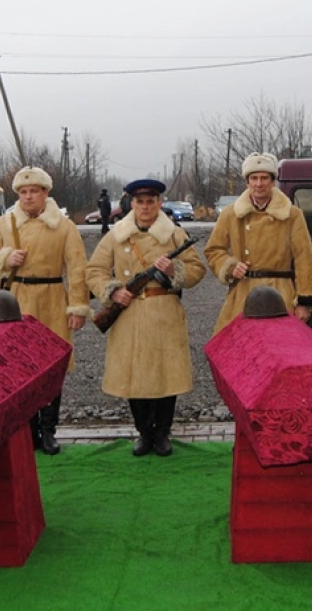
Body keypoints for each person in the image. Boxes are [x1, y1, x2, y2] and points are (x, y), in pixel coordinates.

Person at [85, 179, 205, 456]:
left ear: (159, 204)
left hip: (164, 313)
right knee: (134, 376)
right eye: (140, 202)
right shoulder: (117, 234)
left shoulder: (174, 234)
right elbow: (94, 271)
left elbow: (197, 269)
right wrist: (113, 293)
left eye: (151, 201)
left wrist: (174, 269)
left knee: (166, 377)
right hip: (128, 315)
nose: (145, 207)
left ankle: (163, 434)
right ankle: (144, 433)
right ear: (131, 204)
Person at [0, 166, 90, 455]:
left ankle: (49, 430)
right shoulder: (4, 224)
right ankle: (27, 431)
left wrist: (78, 307)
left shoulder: (64, 227)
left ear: (45, 193)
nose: (28, 197)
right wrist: (4, 257)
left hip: (52, 300)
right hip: (15, 302)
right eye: (23, 192)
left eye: (34, 191)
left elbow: (77, 270)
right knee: (19, 370)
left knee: (51, 368)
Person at [204, 152, 312, 334]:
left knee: (280, 352)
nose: (259, 184)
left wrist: (304, 302)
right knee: (239, 351)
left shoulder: (292, 215)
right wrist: (229, 267)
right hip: (242, 295)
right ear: (247, 182)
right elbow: (213, 250)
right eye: (254, 178)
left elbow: (304, 259)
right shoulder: (230, 214)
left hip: (281, 295)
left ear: (273, 181)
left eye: (264, 178)